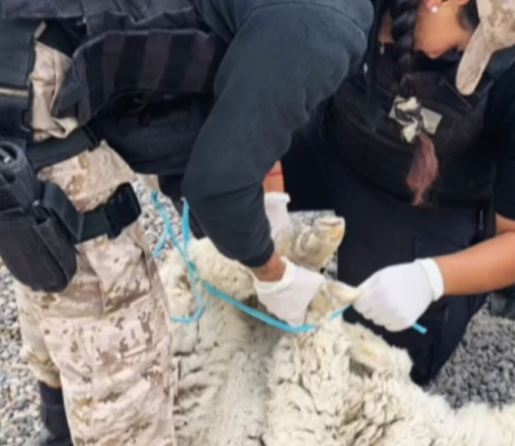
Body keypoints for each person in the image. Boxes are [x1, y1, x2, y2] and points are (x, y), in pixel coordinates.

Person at [0, 0, 373, 444]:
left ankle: (59, 426)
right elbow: (216, 189)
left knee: (49, 252)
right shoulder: (335, 22)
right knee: (113, 313)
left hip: (31, 34)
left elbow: (259, 81)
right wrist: (273, 274)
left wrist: (270, 196)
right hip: (43, 63)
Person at [272, 0, 515, 386]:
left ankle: (468, 282)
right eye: (470, 39)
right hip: (330, 141)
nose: (467, 53)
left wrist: (430, 278)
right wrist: (264, 199)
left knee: (381, 362)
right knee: (222, 194)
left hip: (423, 206)